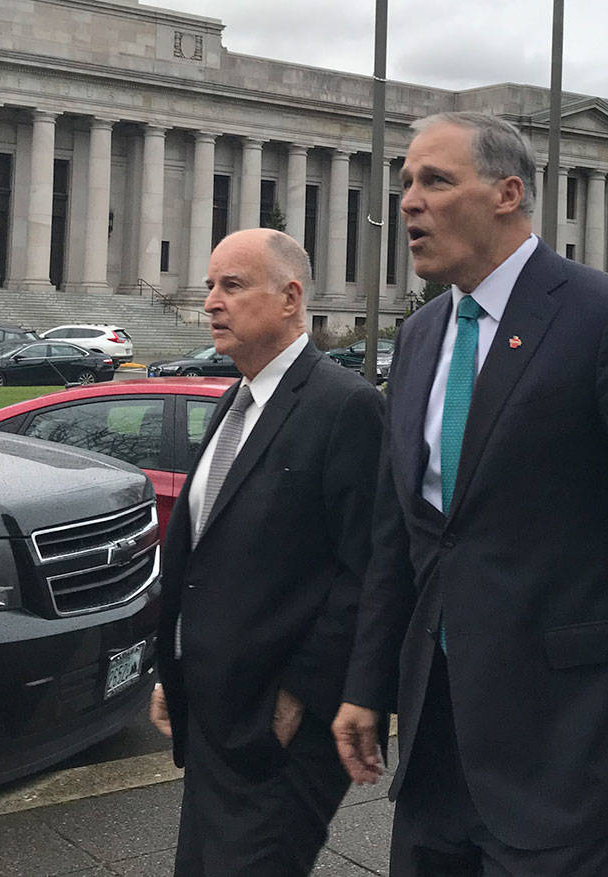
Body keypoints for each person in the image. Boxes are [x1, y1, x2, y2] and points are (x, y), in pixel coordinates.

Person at [331, 112, 608, 876]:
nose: (407, 201)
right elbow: (404, 534)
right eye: (404, 184)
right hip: (437, 748)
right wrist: (367, 684)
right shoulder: (425, 336)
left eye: (434, 180)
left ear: (508, 193)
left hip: (569, 746)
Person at [149, 228, 385, 875]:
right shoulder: (235, 399)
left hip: (276, 736)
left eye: (231, 285)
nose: (210, 303)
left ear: (289, 297)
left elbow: (365, 570)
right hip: (211, 724)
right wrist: (175, 662)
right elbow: (203, 553)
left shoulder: (347, 406)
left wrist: (295, 702)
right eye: (209, 286)